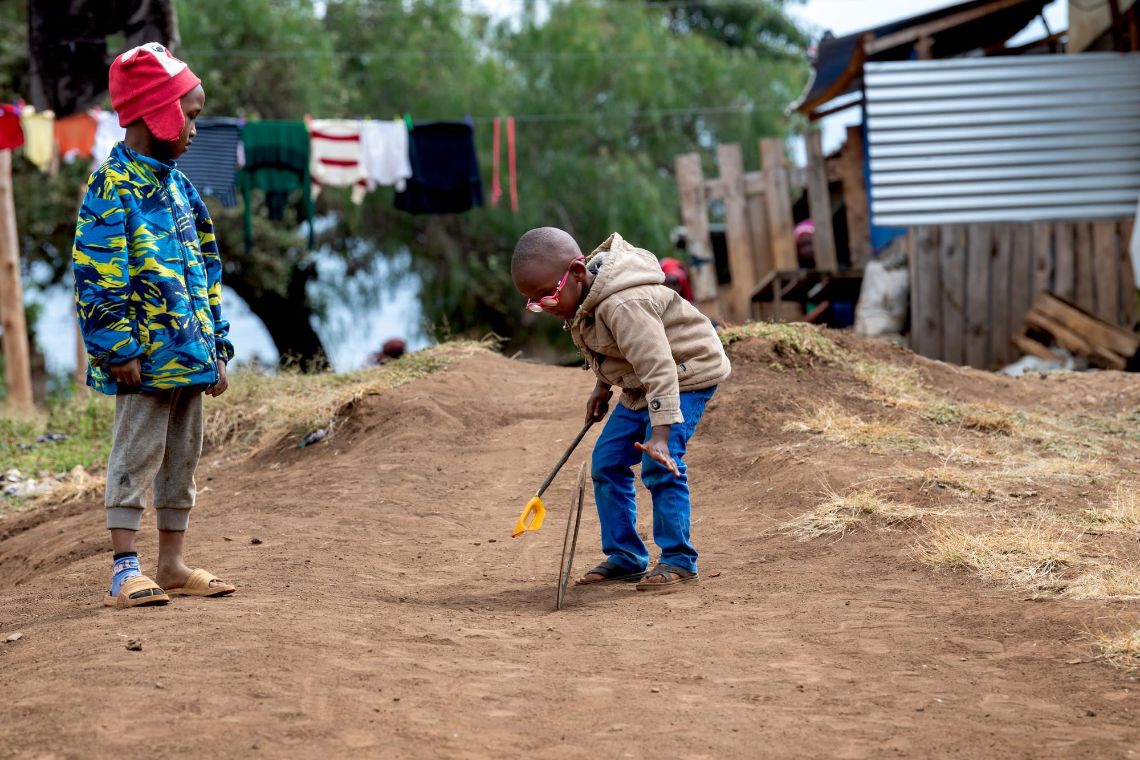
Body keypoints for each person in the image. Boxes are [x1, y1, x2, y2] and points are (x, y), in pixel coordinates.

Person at [73, 43, 236, 608]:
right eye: (189, 115)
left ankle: (171, 564)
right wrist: (116, 346)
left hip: (192, 355)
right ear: (156, 112)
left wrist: (217, 346)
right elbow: (98, 274)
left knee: (181, 457)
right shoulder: (110, 186)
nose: (195, 129)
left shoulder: (181, 187)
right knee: (136, 452)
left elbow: (208, 270)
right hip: (141, 360)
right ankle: (124, 569)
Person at [511, 228, 730, 591]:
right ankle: (626, 556)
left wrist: (660, 436)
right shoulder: (582, 298)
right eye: (533, 302)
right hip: (641, 382)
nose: (543, 306)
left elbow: (660, 368)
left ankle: (679, 559)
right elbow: (610, 347)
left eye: (547, 296)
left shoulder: (623, 304)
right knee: (607, 462)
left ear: (577, 272)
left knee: (659, 463)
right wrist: (601, 386)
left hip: (686, 374)